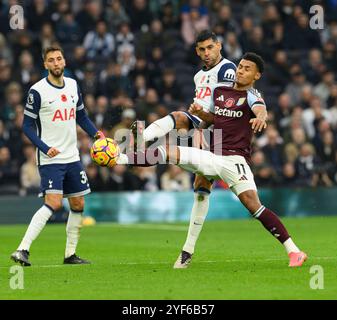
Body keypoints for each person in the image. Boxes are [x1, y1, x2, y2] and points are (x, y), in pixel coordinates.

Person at [118, 53, 307, 268]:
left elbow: (261, 110)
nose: (241, 70)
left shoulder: (252, 95)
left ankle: (294, 251)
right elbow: (213, 118)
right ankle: (121, 158)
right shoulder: (219, 90)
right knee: (173, 157)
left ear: (257, 75)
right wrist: (200, 117)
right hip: (213, 154)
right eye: (240, 66)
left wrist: (261, 118)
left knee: (254, 205)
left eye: (247, 69)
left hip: (235, 160)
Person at [131, 30, 237, 268]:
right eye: (201, 49)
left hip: (226, 137)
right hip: (208, 130)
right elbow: (201, 115)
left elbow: (227, 112)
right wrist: (199, 126)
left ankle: (290, 246)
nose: (206, 53)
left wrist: (202, 124)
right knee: (200, 188)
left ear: (219, 46)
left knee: (250, 200)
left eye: (210, 47)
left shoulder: (227, 70)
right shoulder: (199, 76)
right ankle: (187, 252)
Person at [11, 46, 104, 266]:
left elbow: (81, 116)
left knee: (78, 203)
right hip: (50, 158)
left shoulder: (72, 85)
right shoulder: (37, 91)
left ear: (65, 61)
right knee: (52, 203)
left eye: (59, 59)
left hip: (72, 156)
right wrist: (44, 147)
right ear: (45, 65)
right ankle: (22, 249)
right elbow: (26, 126)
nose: (56, 63)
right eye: (51, 60)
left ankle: (70, 254)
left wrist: (96, 134)